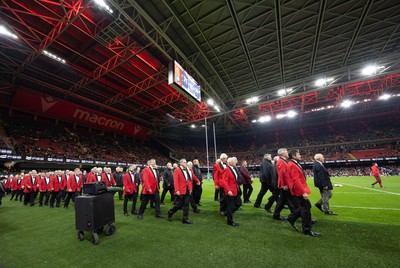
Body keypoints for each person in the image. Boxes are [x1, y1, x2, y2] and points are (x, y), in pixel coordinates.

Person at [286, 150, 321, 237]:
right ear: (293, 156)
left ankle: (291, 218)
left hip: (300, 189)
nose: (300, 155)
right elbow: (296, 180)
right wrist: (303, 192)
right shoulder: (292, 164)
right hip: (299, 190)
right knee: (306, 209)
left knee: (306, 206)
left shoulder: (294, 163)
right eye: (298, 154)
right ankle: (307, 230)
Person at [167, 158, 199, 224]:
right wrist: (177, 190)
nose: (185, 163)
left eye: (186, 162)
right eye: (184, 162)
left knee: (186, 205)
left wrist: (191, 188)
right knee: (179, 205)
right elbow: (175, 181)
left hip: (187, 190)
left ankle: (185, 219)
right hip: (180, 190)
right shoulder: (177, 170)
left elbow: (190, 179)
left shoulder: (188, 170)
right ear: (180, 163)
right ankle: (171, 212)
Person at [273, 148, 296, 220]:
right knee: (291, 200)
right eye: (286, 152)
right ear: (283, 154)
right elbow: (282, 174)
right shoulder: (281, 161)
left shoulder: (282, 161)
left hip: (285, 184)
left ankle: (276, 215)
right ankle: (295, 215)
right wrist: (284, 185)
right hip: (285, 185)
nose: (287, 153)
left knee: (282, 201)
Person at [221, 157, 242, 227]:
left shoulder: (234, 169)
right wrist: (228, 190)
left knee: (239, 203)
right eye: (234, 161)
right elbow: (224, 181)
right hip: (230, 191)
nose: (235, 162)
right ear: (230, 162)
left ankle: (228, 213)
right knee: (230, 206)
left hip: (235, 190)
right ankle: (230, 221)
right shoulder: (227, 169)